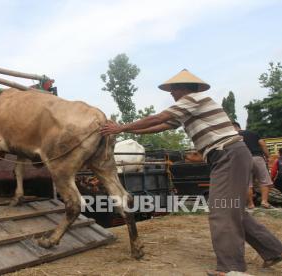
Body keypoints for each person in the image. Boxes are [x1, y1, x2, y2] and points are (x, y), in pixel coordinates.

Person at [100, 69, 282, 274]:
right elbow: (160, 126)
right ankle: (273, 250)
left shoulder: (193, 99)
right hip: (228, 155)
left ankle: (232, 269)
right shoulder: (190, 108)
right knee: (232, 209)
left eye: (173, 89)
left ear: (184, 88)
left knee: (222, 210)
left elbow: (159, 117)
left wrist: (121, 128)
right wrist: (126, 129)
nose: (171, 93)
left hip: (227, 154)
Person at [232, 122, 274, 209]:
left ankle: (251, 204)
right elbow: (262, 143)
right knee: (264, 180)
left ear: (234, 127)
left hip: (243, 160)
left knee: (248, 184)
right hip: (257, 158)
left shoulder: (233, 137)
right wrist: (268, 156)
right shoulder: (252, 133)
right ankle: (264, 202)